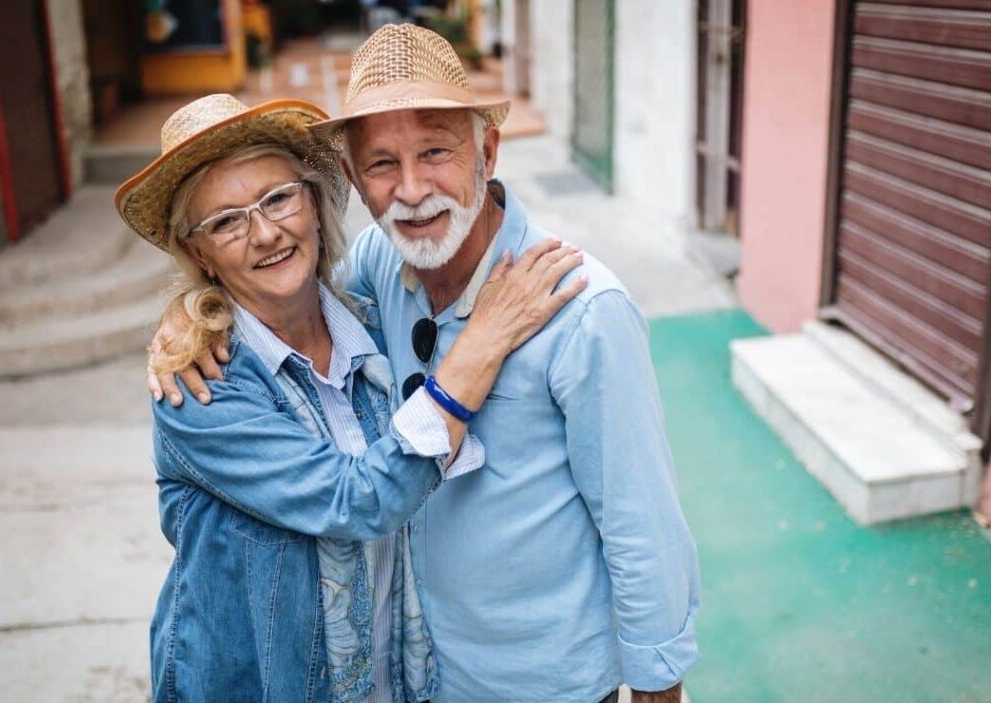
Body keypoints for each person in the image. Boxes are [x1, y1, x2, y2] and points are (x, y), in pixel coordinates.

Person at [150, 25, 700, 703]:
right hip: (421, 676)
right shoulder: (379, 270)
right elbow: (280, 298)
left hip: (540, 683)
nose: (411, 190)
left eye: (436, 150)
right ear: (352, 178)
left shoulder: (581, 309)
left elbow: (640, 518)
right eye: (382, 163)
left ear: (487, 151)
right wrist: (191, 315)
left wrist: (658, 678)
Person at [116, 93, 586, 702]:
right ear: (199, 252)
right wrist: (482, 342)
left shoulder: (370, 324)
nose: (265, 233)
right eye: (227, 221)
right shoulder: (203, 385)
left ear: (312, 202)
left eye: (277, 198)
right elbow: (358, 499)